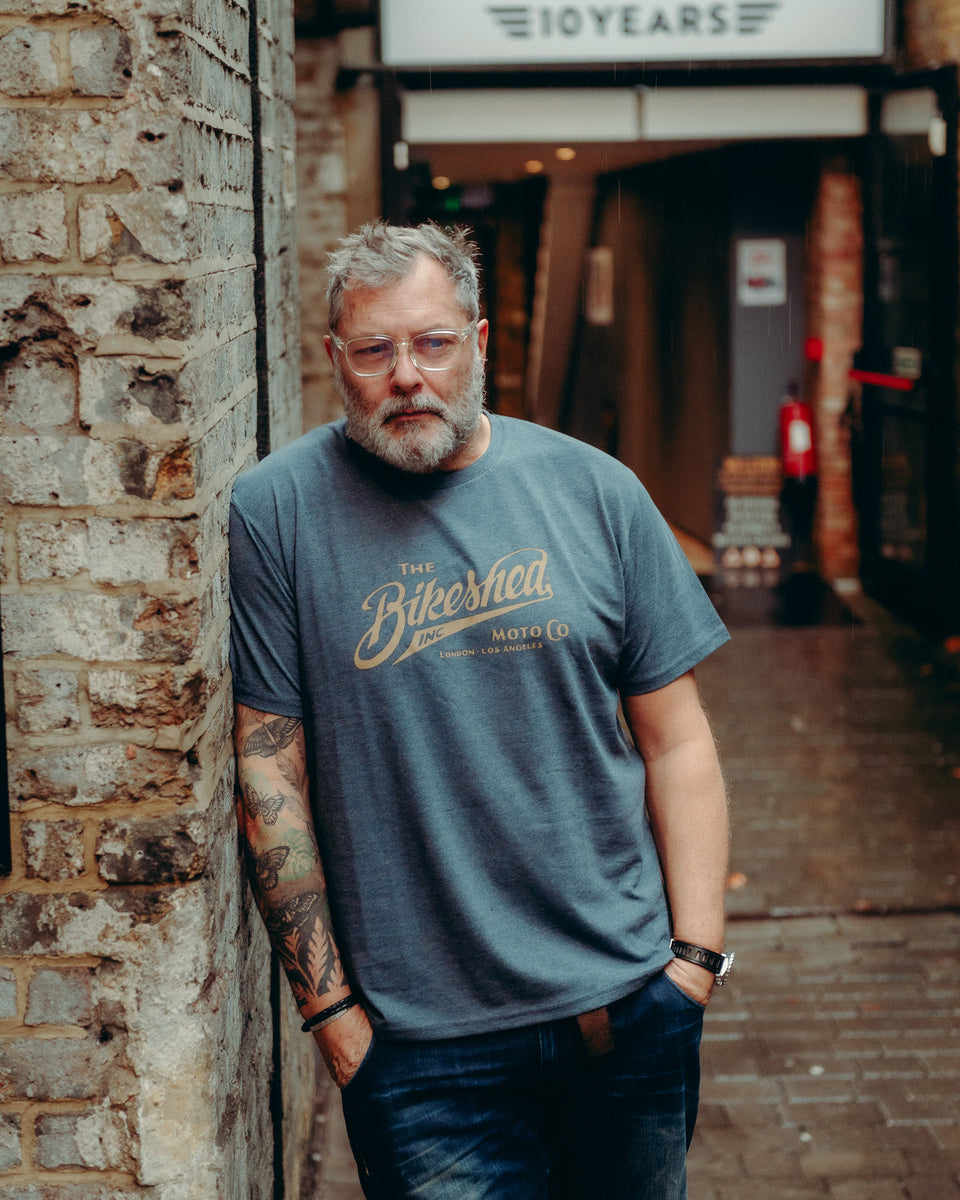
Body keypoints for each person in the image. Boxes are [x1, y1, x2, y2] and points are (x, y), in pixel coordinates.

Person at [229, 221, 732, 1200]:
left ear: (481, 342)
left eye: (432, 343)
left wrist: (694, 968)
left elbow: (679, 743)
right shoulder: (275, 511)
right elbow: (267, 765)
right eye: (374, 350)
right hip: (418, 1055)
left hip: (625, 1016)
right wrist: (331, 1016)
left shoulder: (597, 493)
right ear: (336, 359)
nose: (405, 375)